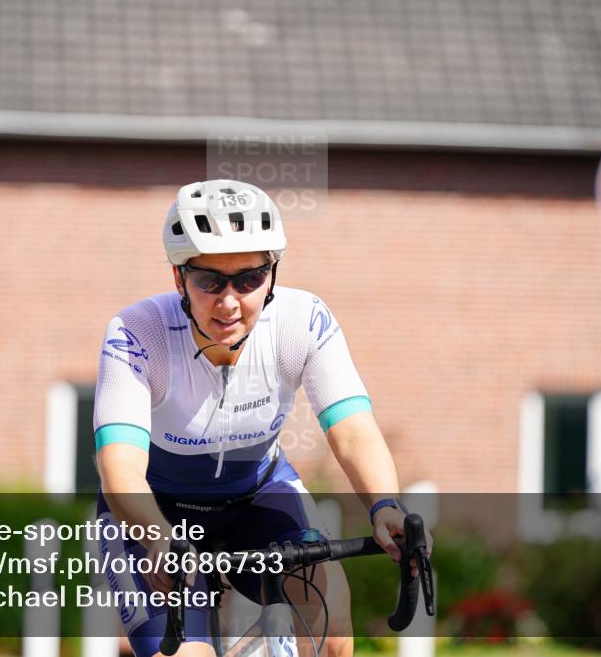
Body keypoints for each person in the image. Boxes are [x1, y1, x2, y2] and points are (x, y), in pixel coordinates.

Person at [95, 180, 423, 657]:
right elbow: (119, 469)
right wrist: (158, 538)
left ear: (272, 273)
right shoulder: (136, 332)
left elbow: (352, 431)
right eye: (209, 280)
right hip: (156, 516)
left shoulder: (301, 321)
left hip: (259, 498)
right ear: (177, 277)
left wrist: (384, 505)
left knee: (331, 631)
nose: (229, 302)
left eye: (249, 279)